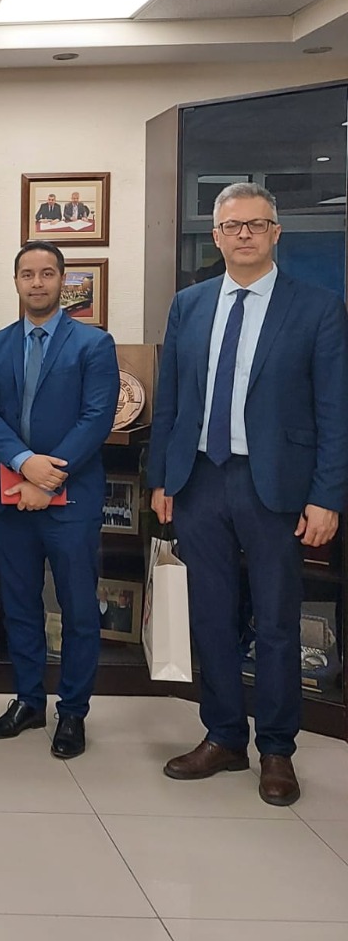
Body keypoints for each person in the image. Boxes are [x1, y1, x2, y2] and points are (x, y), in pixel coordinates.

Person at [148, 182, 348, 806]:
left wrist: (327, 496)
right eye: (232, 225)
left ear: (275, 233)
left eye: (256, 224)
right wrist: (161, 478)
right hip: (199, 480)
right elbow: (171, 400)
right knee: (210, 615)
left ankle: (278, 749)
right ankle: (224, 736)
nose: (243, 234)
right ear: (216, 235)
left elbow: (335, 410)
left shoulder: (317, 308)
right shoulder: (189, 305)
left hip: (276, 486)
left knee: (277, 621)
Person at [0, 241, 120, 757]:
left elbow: (97, 417)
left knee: (78, 608)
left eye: (47, 273)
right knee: (19, 606)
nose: (37, 282)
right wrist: (23, 463)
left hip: (71, 498)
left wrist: (48, 476)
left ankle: (73, 711)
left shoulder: (94, 344)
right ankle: (29, 700)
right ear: (15, 281)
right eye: (28, 274)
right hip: (10, 498)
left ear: (62, 281)